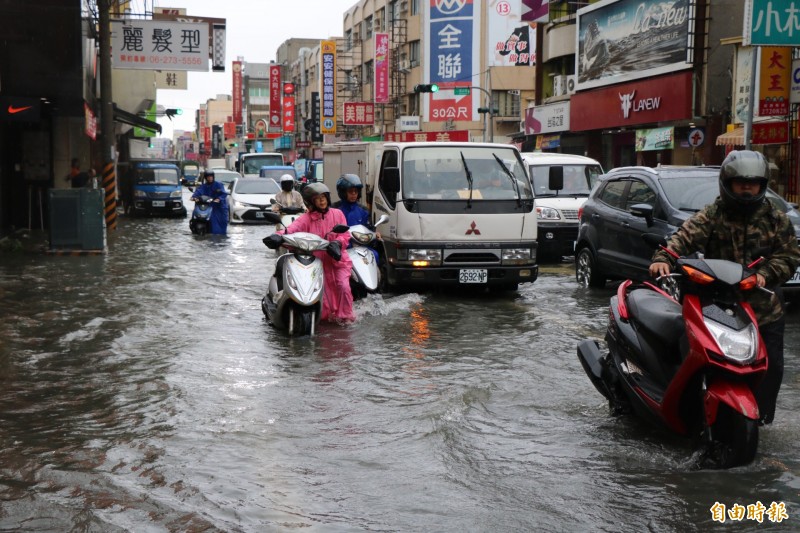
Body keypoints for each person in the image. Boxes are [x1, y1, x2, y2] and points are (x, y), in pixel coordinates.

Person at [649, 150, 800, 425]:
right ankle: (690, 416)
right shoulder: (713, 215)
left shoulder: (777, 220)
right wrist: (664, 259)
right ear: (728, 183)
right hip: (717, 306)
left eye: (752, 183)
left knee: (772, 369)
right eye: (740, 182)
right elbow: (683, 238)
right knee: (697, 359)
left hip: (763, 310)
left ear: (761, 185)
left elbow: (789, 256)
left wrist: (765, 274)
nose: (746, 188)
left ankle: (760, 424)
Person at [264, 183, 356, 323]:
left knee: (343, 286)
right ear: (310, 202)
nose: (322, 200)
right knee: (320, 295)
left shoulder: (337, 214)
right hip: (317, 263)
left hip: (337, 260)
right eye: (318, 198)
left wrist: (337, 243)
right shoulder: (305, 219)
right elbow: (291, 230)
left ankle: (346, 319)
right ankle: (322, 320)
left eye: (324, 197)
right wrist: (278, 235)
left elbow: (345, 235)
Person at [191, 169, 229, 235]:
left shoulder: (218, 184)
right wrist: (194, 197)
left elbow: (224, 193)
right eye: (208, 177)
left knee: (222, 222)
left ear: (213, 177)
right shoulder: (204, 186)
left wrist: (219, 199)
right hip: (209, 206)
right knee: (211, 222)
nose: (210, 178)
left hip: (220, 207)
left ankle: (221, 235)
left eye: (211, 176)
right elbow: (198, 192)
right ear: (206, 178)